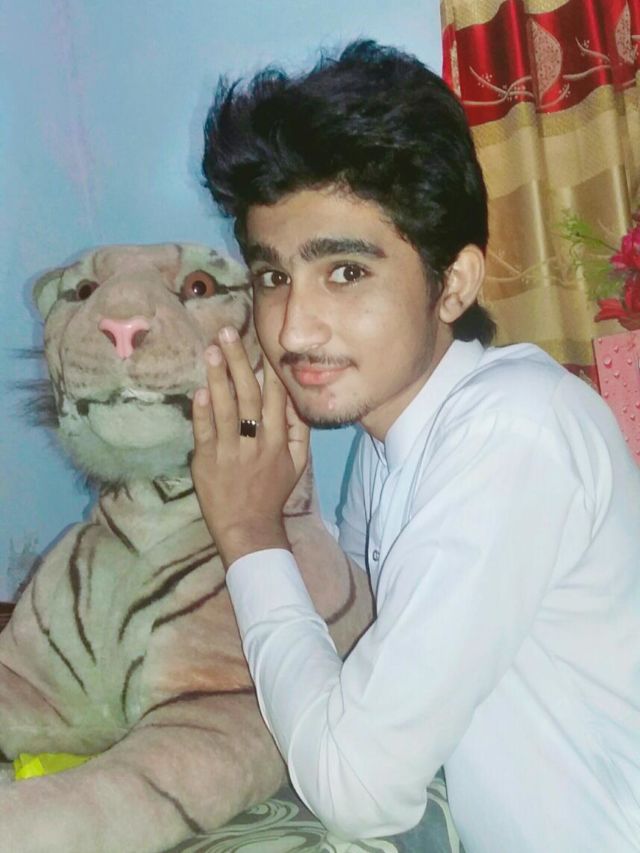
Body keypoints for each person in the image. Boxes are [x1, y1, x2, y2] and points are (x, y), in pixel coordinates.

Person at [191, 40, 640, 852]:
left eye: (345, 272)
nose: (292, 328)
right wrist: (288, 518)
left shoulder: (516, 430)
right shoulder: (395, 438)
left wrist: (249, 535)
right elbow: (364, 632)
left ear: (454, 283)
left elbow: (359, 789)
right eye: (272, 276)